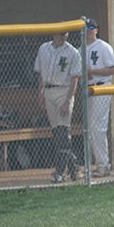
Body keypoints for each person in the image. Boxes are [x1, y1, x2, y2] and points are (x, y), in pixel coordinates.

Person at [34, 30, 82, 183]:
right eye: (60, 33)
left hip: (64, 91)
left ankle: (60, 172)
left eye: (65, 33)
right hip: (48, 91)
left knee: (62, 131)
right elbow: (41, 73)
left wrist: (68, 100)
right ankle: (74, 168)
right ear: (53, 34)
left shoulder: (73, 52)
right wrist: (40, 92)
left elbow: (75, 79)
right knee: (58, 133)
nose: (63, 36)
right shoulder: (43, 48)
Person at [80, 18, 114, 177]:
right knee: (88, 128)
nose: (89, 30)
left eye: (91, 27)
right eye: (86, 27)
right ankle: (92, 165)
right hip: (86, 89)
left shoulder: (103, 47)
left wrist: (92, 71)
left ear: (96, 30)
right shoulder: (80, 48)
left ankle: (103, 165)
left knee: (98, 127)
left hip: (101, 87)